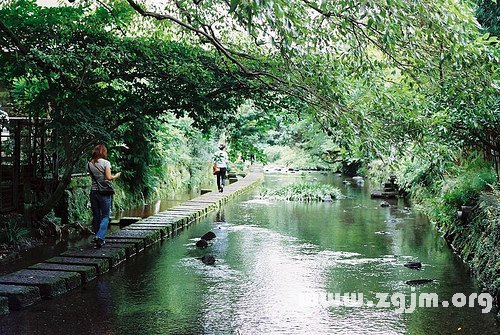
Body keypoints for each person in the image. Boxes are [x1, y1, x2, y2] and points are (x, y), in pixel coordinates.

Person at [88, 144, 121, 248]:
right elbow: (108, 177)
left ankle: (98, 238)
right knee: (105, 216)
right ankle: (99, 236)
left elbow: (93, 178)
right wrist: (116, 176)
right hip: (104, 193)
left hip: (93, 192)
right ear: (103, 152)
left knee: (96, 215)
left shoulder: (89, 164)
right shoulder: (106, 163)